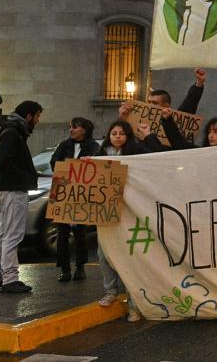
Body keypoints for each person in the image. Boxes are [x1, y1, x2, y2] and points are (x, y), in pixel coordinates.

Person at [0, 101, 44, 294]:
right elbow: (4, 161)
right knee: (13, 234)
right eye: (37, 116)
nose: (37, 120)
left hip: (8, 188)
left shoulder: (12, 131)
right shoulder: (12, 133)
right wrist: (26, 178)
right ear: (28, 116)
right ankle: (10, 278)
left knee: (3, 233)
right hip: (13, 190)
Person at [94, 120, 148, 321]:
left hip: (129, 213)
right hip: (106, 213)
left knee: (127, 257)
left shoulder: (137, 153)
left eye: (122, 133)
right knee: (103, 254)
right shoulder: (99, 155)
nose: (117, 136)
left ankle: (134, 304)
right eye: (114, 132)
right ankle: (111, 291)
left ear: (128, 136)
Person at [50, 117, 99, 282]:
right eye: (70, 127)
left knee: (80, 233)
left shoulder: (93, 147)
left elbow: (97, 167)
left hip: (82, 195)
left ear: (84, 130)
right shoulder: (65, 145)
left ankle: (80, 267)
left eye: (75, 127)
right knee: (62, 234)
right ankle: (64, 269)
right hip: (64, 193)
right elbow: (54, 162)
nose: (71, 130)